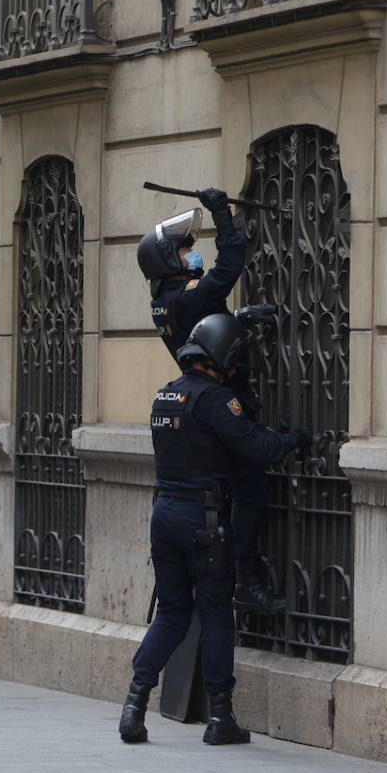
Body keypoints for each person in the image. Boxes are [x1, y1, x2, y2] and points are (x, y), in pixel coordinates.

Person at [119, 314, 311, 746]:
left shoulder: (165, 397)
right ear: (221, 354)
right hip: (203, 522)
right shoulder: (215, 401)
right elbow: (257, 448)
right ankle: (221, 717)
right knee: (216, 614)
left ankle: (134, 705)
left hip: (164, 515)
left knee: (170, 613)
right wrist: (296, 440)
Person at [136, 187, 286, 614]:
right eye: (185, 249)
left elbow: (200, 325)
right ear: (167, 261)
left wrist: (236, 319)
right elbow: (229, 266)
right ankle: (247, 581)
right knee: (250, 489)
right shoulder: (186, 295)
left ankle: (237, 577)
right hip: (219, 399)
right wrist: (223, 215)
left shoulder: (167, 302)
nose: (191, 253)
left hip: (203, 404)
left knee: (236, 491)